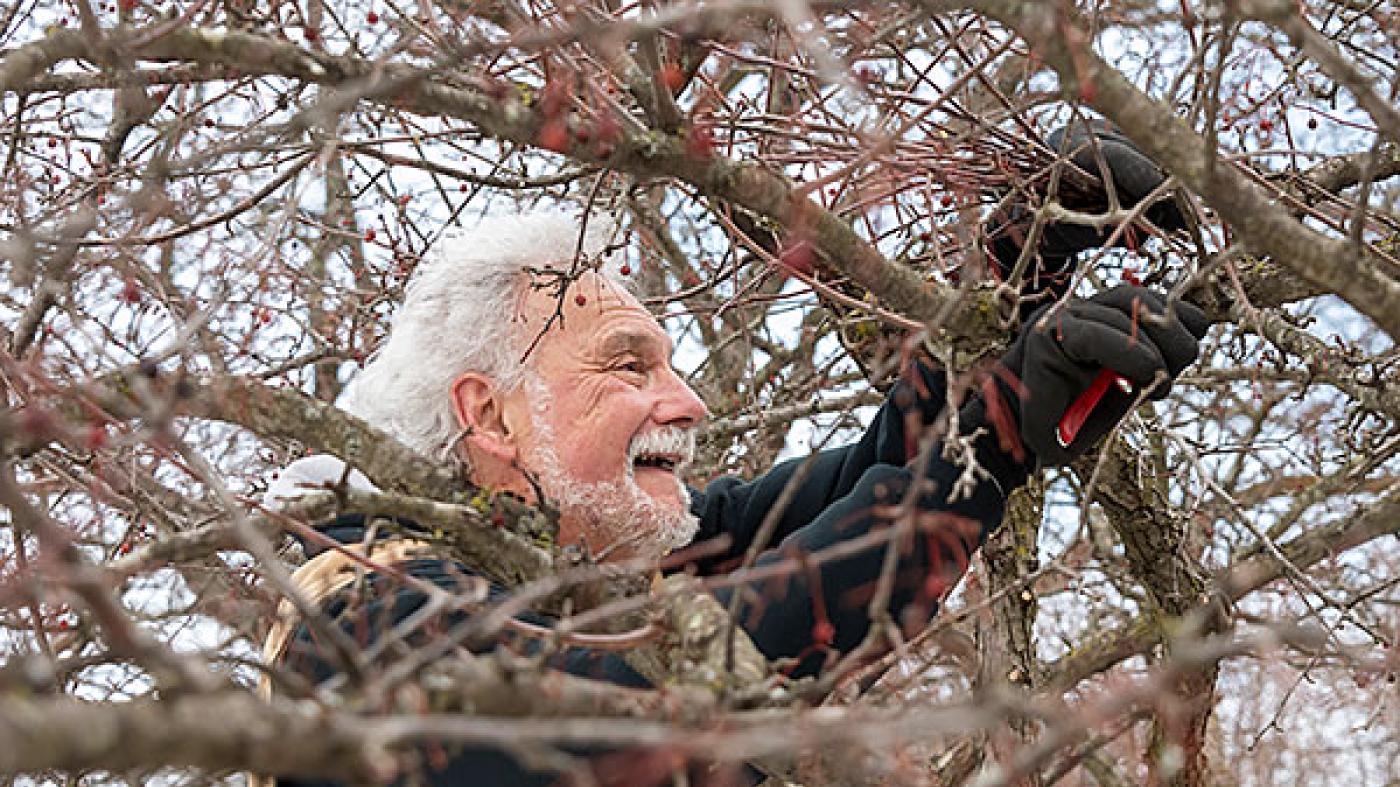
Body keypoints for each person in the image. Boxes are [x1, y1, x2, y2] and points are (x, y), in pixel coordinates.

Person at [258, 123, 1209, 786]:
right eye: (628, 365)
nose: (687, 400)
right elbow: (647, 708)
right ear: (491, 417)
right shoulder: (353, 614)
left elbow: (843, 500)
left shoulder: (577, 571)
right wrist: (991, 443)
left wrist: (1012, 278)